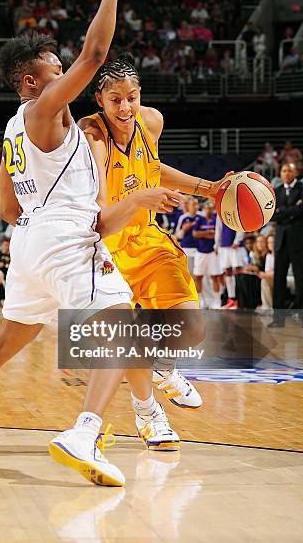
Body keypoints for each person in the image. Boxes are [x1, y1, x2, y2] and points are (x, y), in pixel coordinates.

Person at [0, 0, 184, 488]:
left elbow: (9, 208)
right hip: (61, 239)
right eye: (55, 72)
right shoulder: (42, 111)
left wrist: (131, 202)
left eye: (62, 71)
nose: (67, 78)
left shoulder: (14, 130)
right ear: (29, 85)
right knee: (121, 324)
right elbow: (96, 53)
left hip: (33, 241)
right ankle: (85, 431)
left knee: (9, 338)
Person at [78, 54, 228, 399]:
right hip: (107, 244)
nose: (125, 107)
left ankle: (161, 363)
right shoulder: (92, 135)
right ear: (100, 100)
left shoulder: (152, 121)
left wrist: (209, 188)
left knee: (192, 328)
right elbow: (102, 210)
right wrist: (141, 199)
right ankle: (146, 410)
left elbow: (153, 168)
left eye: (132, 97)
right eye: (115, 100)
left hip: (147, 238)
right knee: (119, 340)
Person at [268, 163, 303, 328]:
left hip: (300, 242)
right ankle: (278, 319)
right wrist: (291, 210)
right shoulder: (276, 191)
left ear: (296, 172)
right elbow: (271, 215)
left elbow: (302, 211)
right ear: (280, 173)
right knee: (278, 281)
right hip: (281, 242)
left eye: (289, 170)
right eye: (284, 171)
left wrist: (281, 212)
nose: (286, 173)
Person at [192, 201, 222, 309]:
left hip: (213, 252)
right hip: (200, 252)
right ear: (204, 209)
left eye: (211, 208)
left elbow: (217, 235)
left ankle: (217, 301)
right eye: (207, 208)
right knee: (198, 277)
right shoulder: (199, 219)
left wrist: (203, 234)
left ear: (213, 209)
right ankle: (200, 301)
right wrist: (207, 233)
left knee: (215, 277)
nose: (209, 210)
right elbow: (195, 234)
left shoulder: (216, 219)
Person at [215, 217, 246, 309]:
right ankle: (231, 298)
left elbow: (241, 223)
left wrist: (238, 240)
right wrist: (216, 243)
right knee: (227, 271)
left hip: (236, 246)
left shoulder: (237, 206)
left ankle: (241, 298)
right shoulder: (220, 210)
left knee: (238, 271)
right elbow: (218, 228)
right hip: (225, 245)